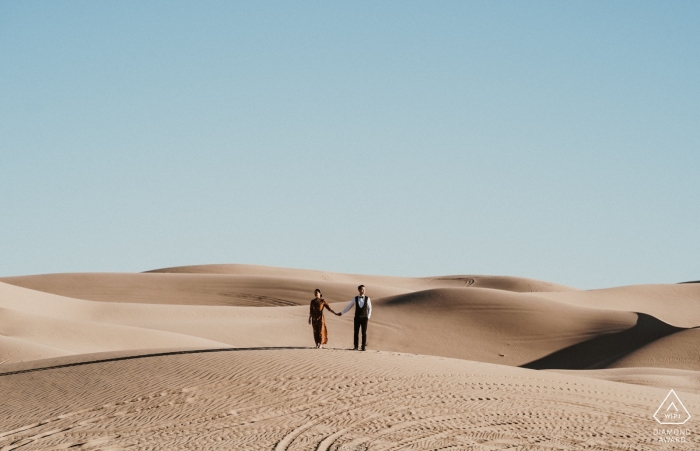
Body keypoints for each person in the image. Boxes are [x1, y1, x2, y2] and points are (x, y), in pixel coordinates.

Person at [338, 284, 372, 351]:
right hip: (357, 318)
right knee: (356, 332)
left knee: (364, 333)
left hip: (364, 318)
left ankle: (363, 347)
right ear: (359, 290)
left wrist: (368, 317)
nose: (363, 291)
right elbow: (349, 306)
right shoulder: (355, 298)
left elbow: (370, 308)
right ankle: (356, 346)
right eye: (362, 289)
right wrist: (342, 312)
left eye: (364, 289)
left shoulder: (368, 299)